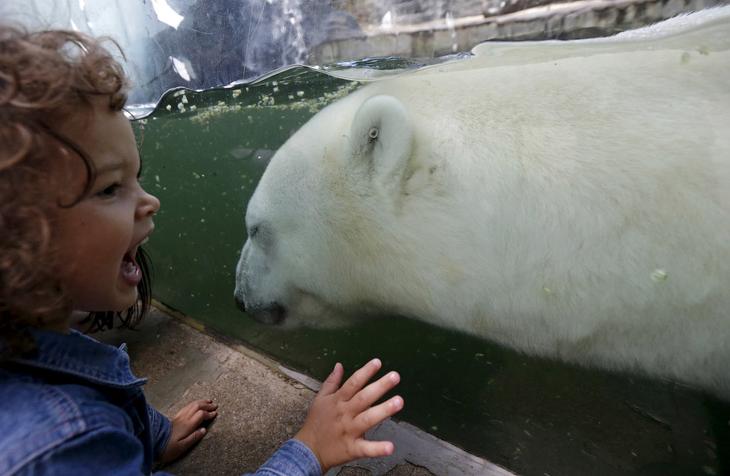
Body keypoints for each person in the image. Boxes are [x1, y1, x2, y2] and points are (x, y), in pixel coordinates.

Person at [0, 25, 403, 475]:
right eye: (111, 187)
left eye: (137, 176)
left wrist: (152, 436)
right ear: (15, 241)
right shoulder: (62, 447)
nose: (150, 201)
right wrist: (308, 450)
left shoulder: (37, 332)